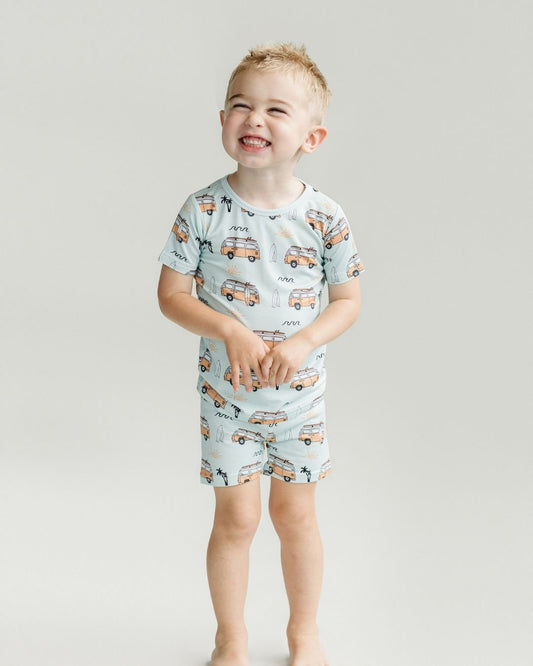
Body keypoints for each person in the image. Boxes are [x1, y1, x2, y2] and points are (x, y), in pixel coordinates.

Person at [157, 42, 364, 666]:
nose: (254, 119)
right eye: (240, 105)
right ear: (222, 120)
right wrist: (230, 330)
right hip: (229, 402)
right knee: (237, 520)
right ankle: (231, 638)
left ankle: (304, 634)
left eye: (276, 109)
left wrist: (302, 341)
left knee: (296, 517)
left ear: (312, 135)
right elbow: (171, 295)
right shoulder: (203, 209)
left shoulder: (325, 217)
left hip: (300, 405)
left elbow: (347, 301)